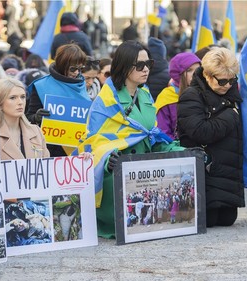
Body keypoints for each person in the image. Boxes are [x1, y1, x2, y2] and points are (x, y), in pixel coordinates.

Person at [75, 40, 184, 238]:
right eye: (139, 65)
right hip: (115, 174)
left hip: (145, 172)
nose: (146, 70)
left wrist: (183, 152)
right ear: (124, 67)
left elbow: (153, 134)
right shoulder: (106, 101)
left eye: (148, 64)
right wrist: (109, 160)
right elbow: (93, 141)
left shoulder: (145, 94)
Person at [177, 47, 244, 227]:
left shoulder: (233, 94)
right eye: (222, 81)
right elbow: (201, 132)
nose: (228, 85)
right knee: (210, 222)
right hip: (204, 176)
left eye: (232, 80)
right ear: (207, 75)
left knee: (227, 221)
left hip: (228, 176)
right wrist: (232, 115)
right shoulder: (191, 96)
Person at [26, 43, 89, 157]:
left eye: (80, 69)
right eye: (73, 69)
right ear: (62, 65)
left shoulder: (82, 84)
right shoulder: (41, 86)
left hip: (78, 152)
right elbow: (27, 118)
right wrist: (36, 117)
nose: (76, 73)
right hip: (49, 152)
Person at [0, 77, 50, 160]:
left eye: (22, 97)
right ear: (0, 103)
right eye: (13, 98)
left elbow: (45, 167)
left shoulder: (36, 132)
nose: (20, 102)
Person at [154, 52, 201, 140]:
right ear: (179, 74)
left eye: (198, 69)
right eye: (189, 70)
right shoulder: (166, 97)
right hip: (178, 150)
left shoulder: (205, 93)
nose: (195, 74)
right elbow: (162, 133)